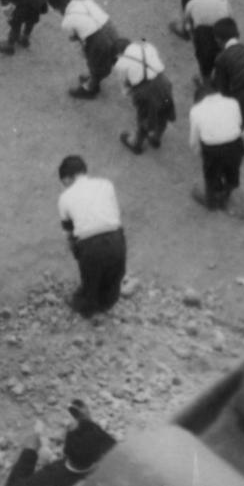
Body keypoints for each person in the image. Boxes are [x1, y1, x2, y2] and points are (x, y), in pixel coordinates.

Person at [57, 156, 127, 317]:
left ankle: (87, 308)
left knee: (90, 279)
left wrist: (76, 252)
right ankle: (107, 302)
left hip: (90, 245)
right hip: (116, 238)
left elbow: (68, 232)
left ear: (67, 178)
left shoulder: (64, 198)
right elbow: (115, 213)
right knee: (114, 276)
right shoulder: (106, 184)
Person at [5, 402, 115, 486]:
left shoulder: (50, 480)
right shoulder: (113, 465)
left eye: (68, 428)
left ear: (65, 449)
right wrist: (88, 425)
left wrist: (29, 452)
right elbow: (110, 445)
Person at [47, 0, 127, 99]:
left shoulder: (67, 22)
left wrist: (85, 52)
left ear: (58, 7)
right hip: (112, 33)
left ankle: (90, 88)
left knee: (96, 64)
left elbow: (79, 43)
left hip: (98, 42)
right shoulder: (87, 2)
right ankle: (95, 79)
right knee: (110, 59)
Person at [188, 81, 244, 214]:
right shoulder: (232, 102)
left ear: (198, 99)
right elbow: (239, 124)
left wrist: (199, 153)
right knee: (233, 172)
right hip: (235, 144)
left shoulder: (196, 111)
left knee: (211, 176)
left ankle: (211, 202)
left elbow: (194, 140)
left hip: (212, 148)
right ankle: (225, 196)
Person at [114, 40, 177, 154]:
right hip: (164, 84)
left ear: (119, 53)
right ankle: (156, 137)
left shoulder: (121, 63)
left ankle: (136, 143)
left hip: (146, 94)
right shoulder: (147, 46)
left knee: (145, 117)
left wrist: (133, 96)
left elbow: (126, 89)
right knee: (163, 111)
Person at [180, 0, 233, 80]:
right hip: (222, 31)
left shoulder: (191, 3)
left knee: (204, 60)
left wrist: (193, 37)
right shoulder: (223, 0)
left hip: (203, 34)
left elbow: (186, 26)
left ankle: (206, 79)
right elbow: (230, 19)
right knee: (223, 58)